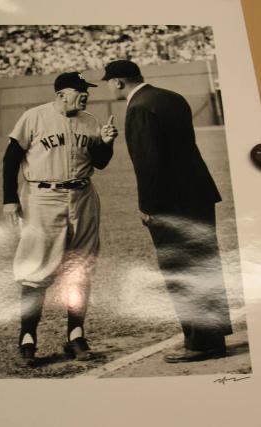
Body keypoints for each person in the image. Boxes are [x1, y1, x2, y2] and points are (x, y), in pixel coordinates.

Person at [102, 60, 232, 363]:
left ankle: (202, 343)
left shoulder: (138, 108)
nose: (109, 86)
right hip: (198, 194)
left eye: (109, 81)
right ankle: (212, 335)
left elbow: (149, 164)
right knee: (205, 264)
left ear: (118, 82)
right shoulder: (171, 97)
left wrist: (148, 206)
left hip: (171, 204)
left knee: (182, 270)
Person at [2, 71, 118, 366]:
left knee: (80, 266)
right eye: (79, 90)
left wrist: (106, 143)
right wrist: (9, 199)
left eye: (86, 90)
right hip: (43, 198)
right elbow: (11, 158)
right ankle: (27, 338)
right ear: (60, 95)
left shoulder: (90, 121)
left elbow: (100, 164)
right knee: (35, 268)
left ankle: (75, 336)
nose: (85, 95)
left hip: (83, 197)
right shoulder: (34, 117)